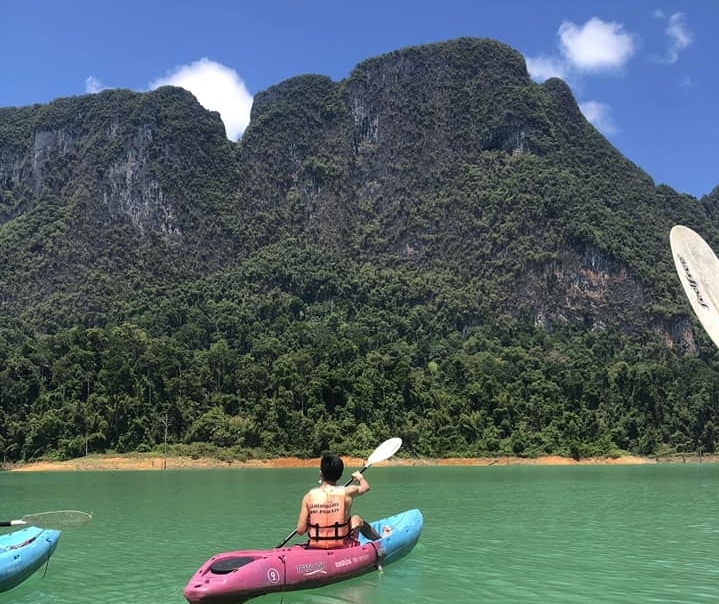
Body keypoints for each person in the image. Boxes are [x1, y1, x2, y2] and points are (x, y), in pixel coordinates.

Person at [295, 454, 385, 549]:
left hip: (316, 546)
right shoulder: (348, 491)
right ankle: (380, 540)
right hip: (342, 546)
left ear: (321, 473)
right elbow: (366, 487)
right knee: (356, 519)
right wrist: (360, 477)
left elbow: (300, 531)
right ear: (340, 475)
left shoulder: (308, 497)